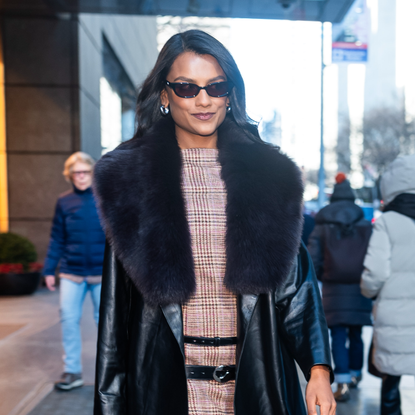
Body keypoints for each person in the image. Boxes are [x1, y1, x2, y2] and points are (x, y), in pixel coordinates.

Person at [93, 30, 335, 415]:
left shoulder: (265, 175)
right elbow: (116, 314)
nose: (203, 100)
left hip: (253, 381)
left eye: (215, 87)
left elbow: (296, 286)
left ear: (230, 94)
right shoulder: (130, 179)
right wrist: (109, 404)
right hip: (165, 386)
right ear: (165, 95)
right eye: (187, 88)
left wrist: (318, 369)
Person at [43, 152, 106, 391]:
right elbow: (57, 237)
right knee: (69, 320)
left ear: (92, 172)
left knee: (105, 324)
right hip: (71, 273)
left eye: (85, 172)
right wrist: (49, 269)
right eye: (76, 173)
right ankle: (72, 371)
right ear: (70, 176)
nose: (81, 177)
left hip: (101, 275)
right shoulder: (64, 201)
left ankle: (109, 371)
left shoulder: (104, 198)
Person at [308, 173, 372, 402]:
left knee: (337, 333)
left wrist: (318, 278)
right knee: (356, 332)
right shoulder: (366, 226)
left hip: (333, 287)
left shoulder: (322, 226)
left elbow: (313, 257)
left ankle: (342, 381)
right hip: (360, 286)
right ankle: (356, 374)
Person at [361, 154, 415, 415]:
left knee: (390, 380)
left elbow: (376, 272)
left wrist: (368, 292)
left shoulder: (387, 223)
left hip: (395, 315)